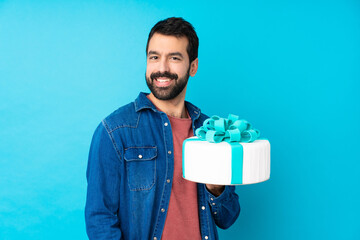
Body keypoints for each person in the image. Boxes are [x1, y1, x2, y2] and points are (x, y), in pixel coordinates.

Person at [85, 17, 240, 240]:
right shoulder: (115, 131)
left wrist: (216, 188)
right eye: (154, 57)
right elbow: (99, 219)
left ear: (193, 66)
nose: (162, 68)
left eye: (174, 58)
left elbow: (228, 217)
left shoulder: (212, 133)